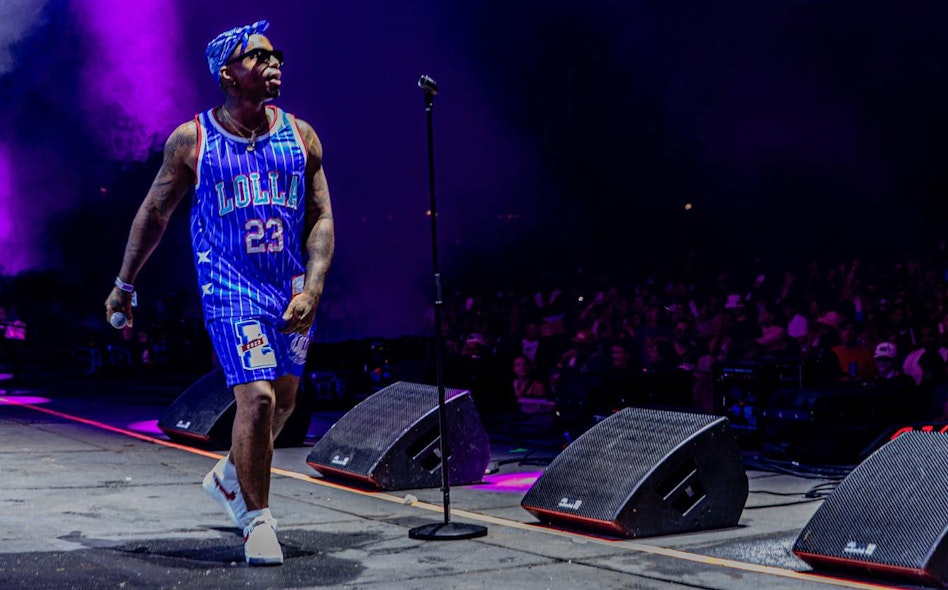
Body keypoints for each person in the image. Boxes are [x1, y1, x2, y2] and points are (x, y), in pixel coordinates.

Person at [103, 21, 335, 566]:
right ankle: (258, 520)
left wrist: (315, 286)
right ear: (227, 73)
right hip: (229, 287)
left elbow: (321, 216)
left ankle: (230, 476)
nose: (275, 61)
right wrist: (123, 283)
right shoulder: (193, 140)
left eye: (276, 54)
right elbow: (156, 212)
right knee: (255, 400)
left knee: (284, 403)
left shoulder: (301, 135)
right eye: (259, 57)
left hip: (290, 286)